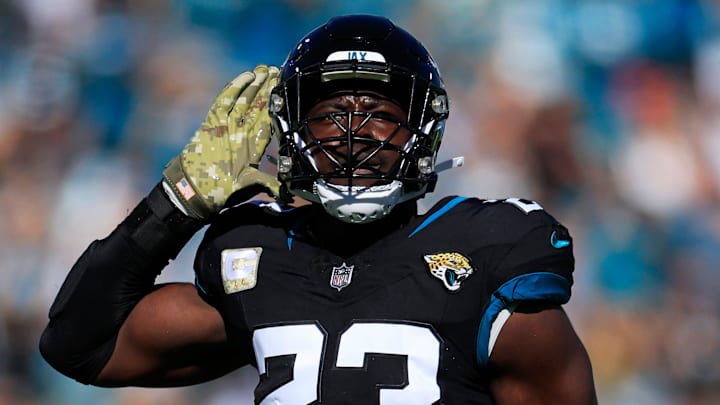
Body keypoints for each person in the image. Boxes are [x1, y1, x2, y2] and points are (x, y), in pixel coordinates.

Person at [39, 14, 597, 404]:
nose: (354, 135)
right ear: (291, 130)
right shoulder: (258, 256)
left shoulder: (485, 254)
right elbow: (81, 345)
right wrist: (180, 199)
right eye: (331, 113)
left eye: (379, 111)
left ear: (422, 130)